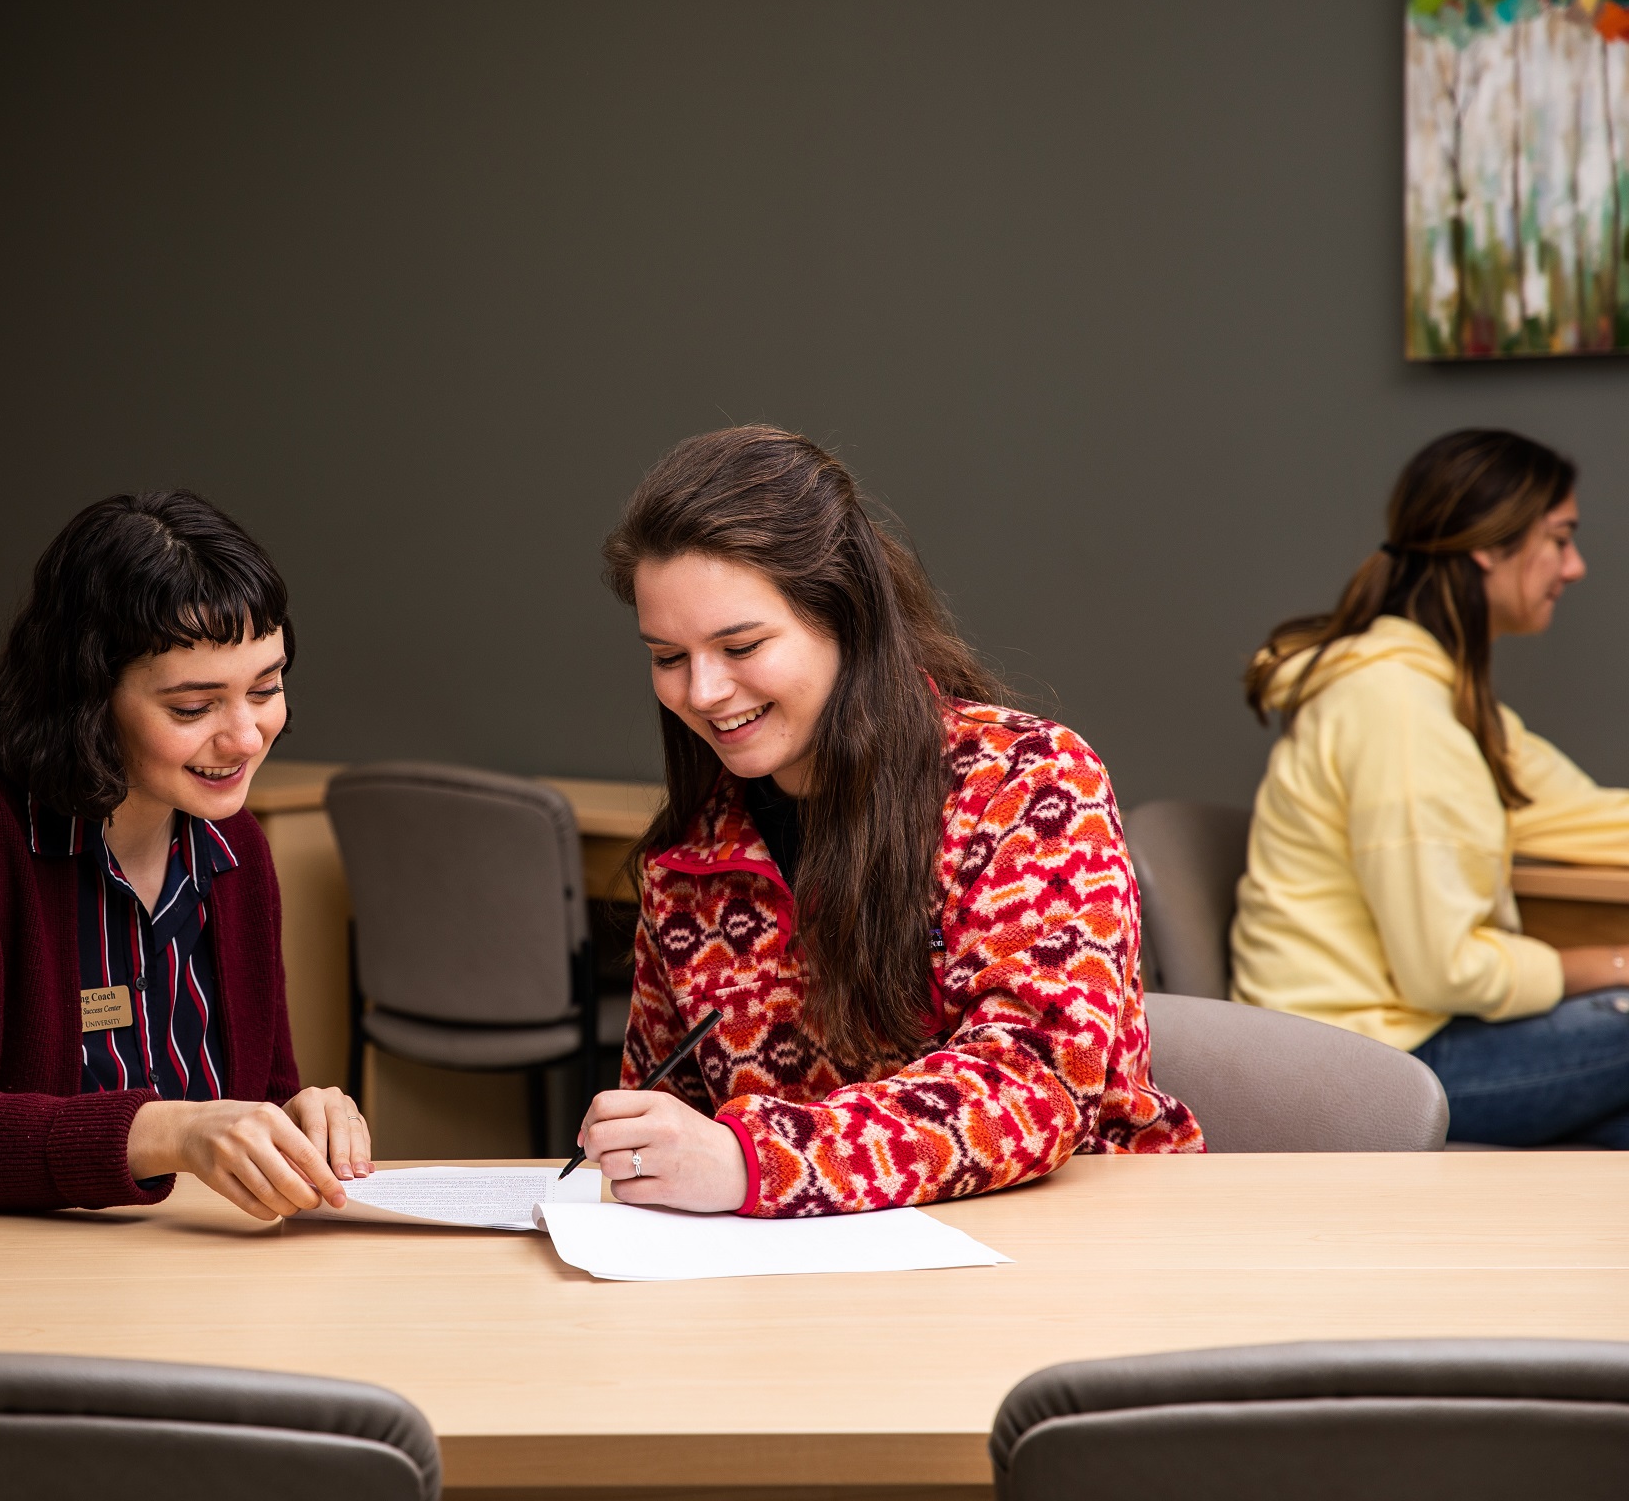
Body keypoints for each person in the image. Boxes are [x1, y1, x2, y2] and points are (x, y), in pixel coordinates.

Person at [574, 427, 1200, 1218]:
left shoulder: (1026, 783)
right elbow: (669, 1127)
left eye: (741, 645)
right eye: (667, 656)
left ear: (848, 617)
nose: (701, 691)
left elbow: (1036, 1082)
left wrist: (752, 1159)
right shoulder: (691, 861)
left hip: (1075, 1248)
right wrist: (647, 1151)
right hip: (815, 1276)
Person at [0, 490, 370, 1219]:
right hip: (20, 1277)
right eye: (193, 709)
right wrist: (169, 1130)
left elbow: (253, 1092)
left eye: (266, 688)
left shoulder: (237, 850)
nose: (248, 737)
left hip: (196, 1264)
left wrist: (296, 1117)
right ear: (89, 698)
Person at [1233, 428, 1629, 1148]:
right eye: (1561, 538)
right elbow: (1443, 971)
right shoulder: (1399, 712)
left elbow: (1574, 814)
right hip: (1362, 1061)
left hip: (1400, 1035)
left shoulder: (1441, 699)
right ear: (1490, 545)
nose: (1575, 567)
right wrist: (1608, 965)